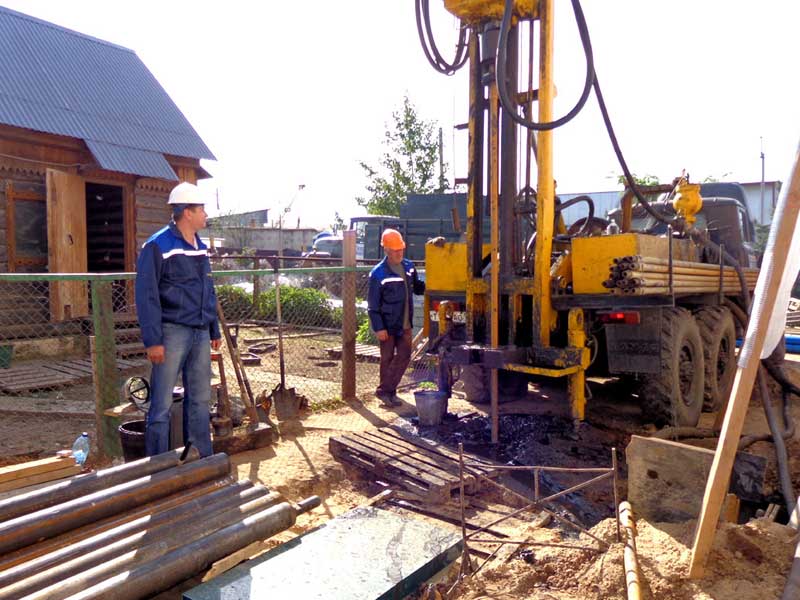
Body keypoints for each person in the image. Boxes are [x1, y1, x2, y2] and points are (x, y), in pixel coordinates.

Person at [135, 182, 221, 457]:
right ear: (187, 212)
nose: (206, 215)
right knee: (160, 403)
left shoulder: (200, 246)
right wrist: (153, 340)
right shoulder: (158, 245)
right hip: (171, 332)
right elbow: (146, 295)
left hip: (199, 332)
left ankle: (200, 457)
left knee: (200, 399)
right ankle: (156, 464)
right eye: (202, 210)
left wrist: (213, 328)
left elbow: (208, 288)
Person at [367, 228, 425, 406]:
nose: (399, 253)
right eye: (395, 250)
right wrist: (379, 328)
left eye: (401, 250)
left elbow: (417, 287)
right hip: (387, 324)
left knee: (405, 355)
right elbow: (373, 305)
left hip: (405, 323)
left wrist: (434, 285)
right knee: (387, 359)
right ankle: (388, 394)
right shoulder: (378, 273)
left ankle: (385, 391)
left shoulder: (408, 267)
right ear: (386, 250)